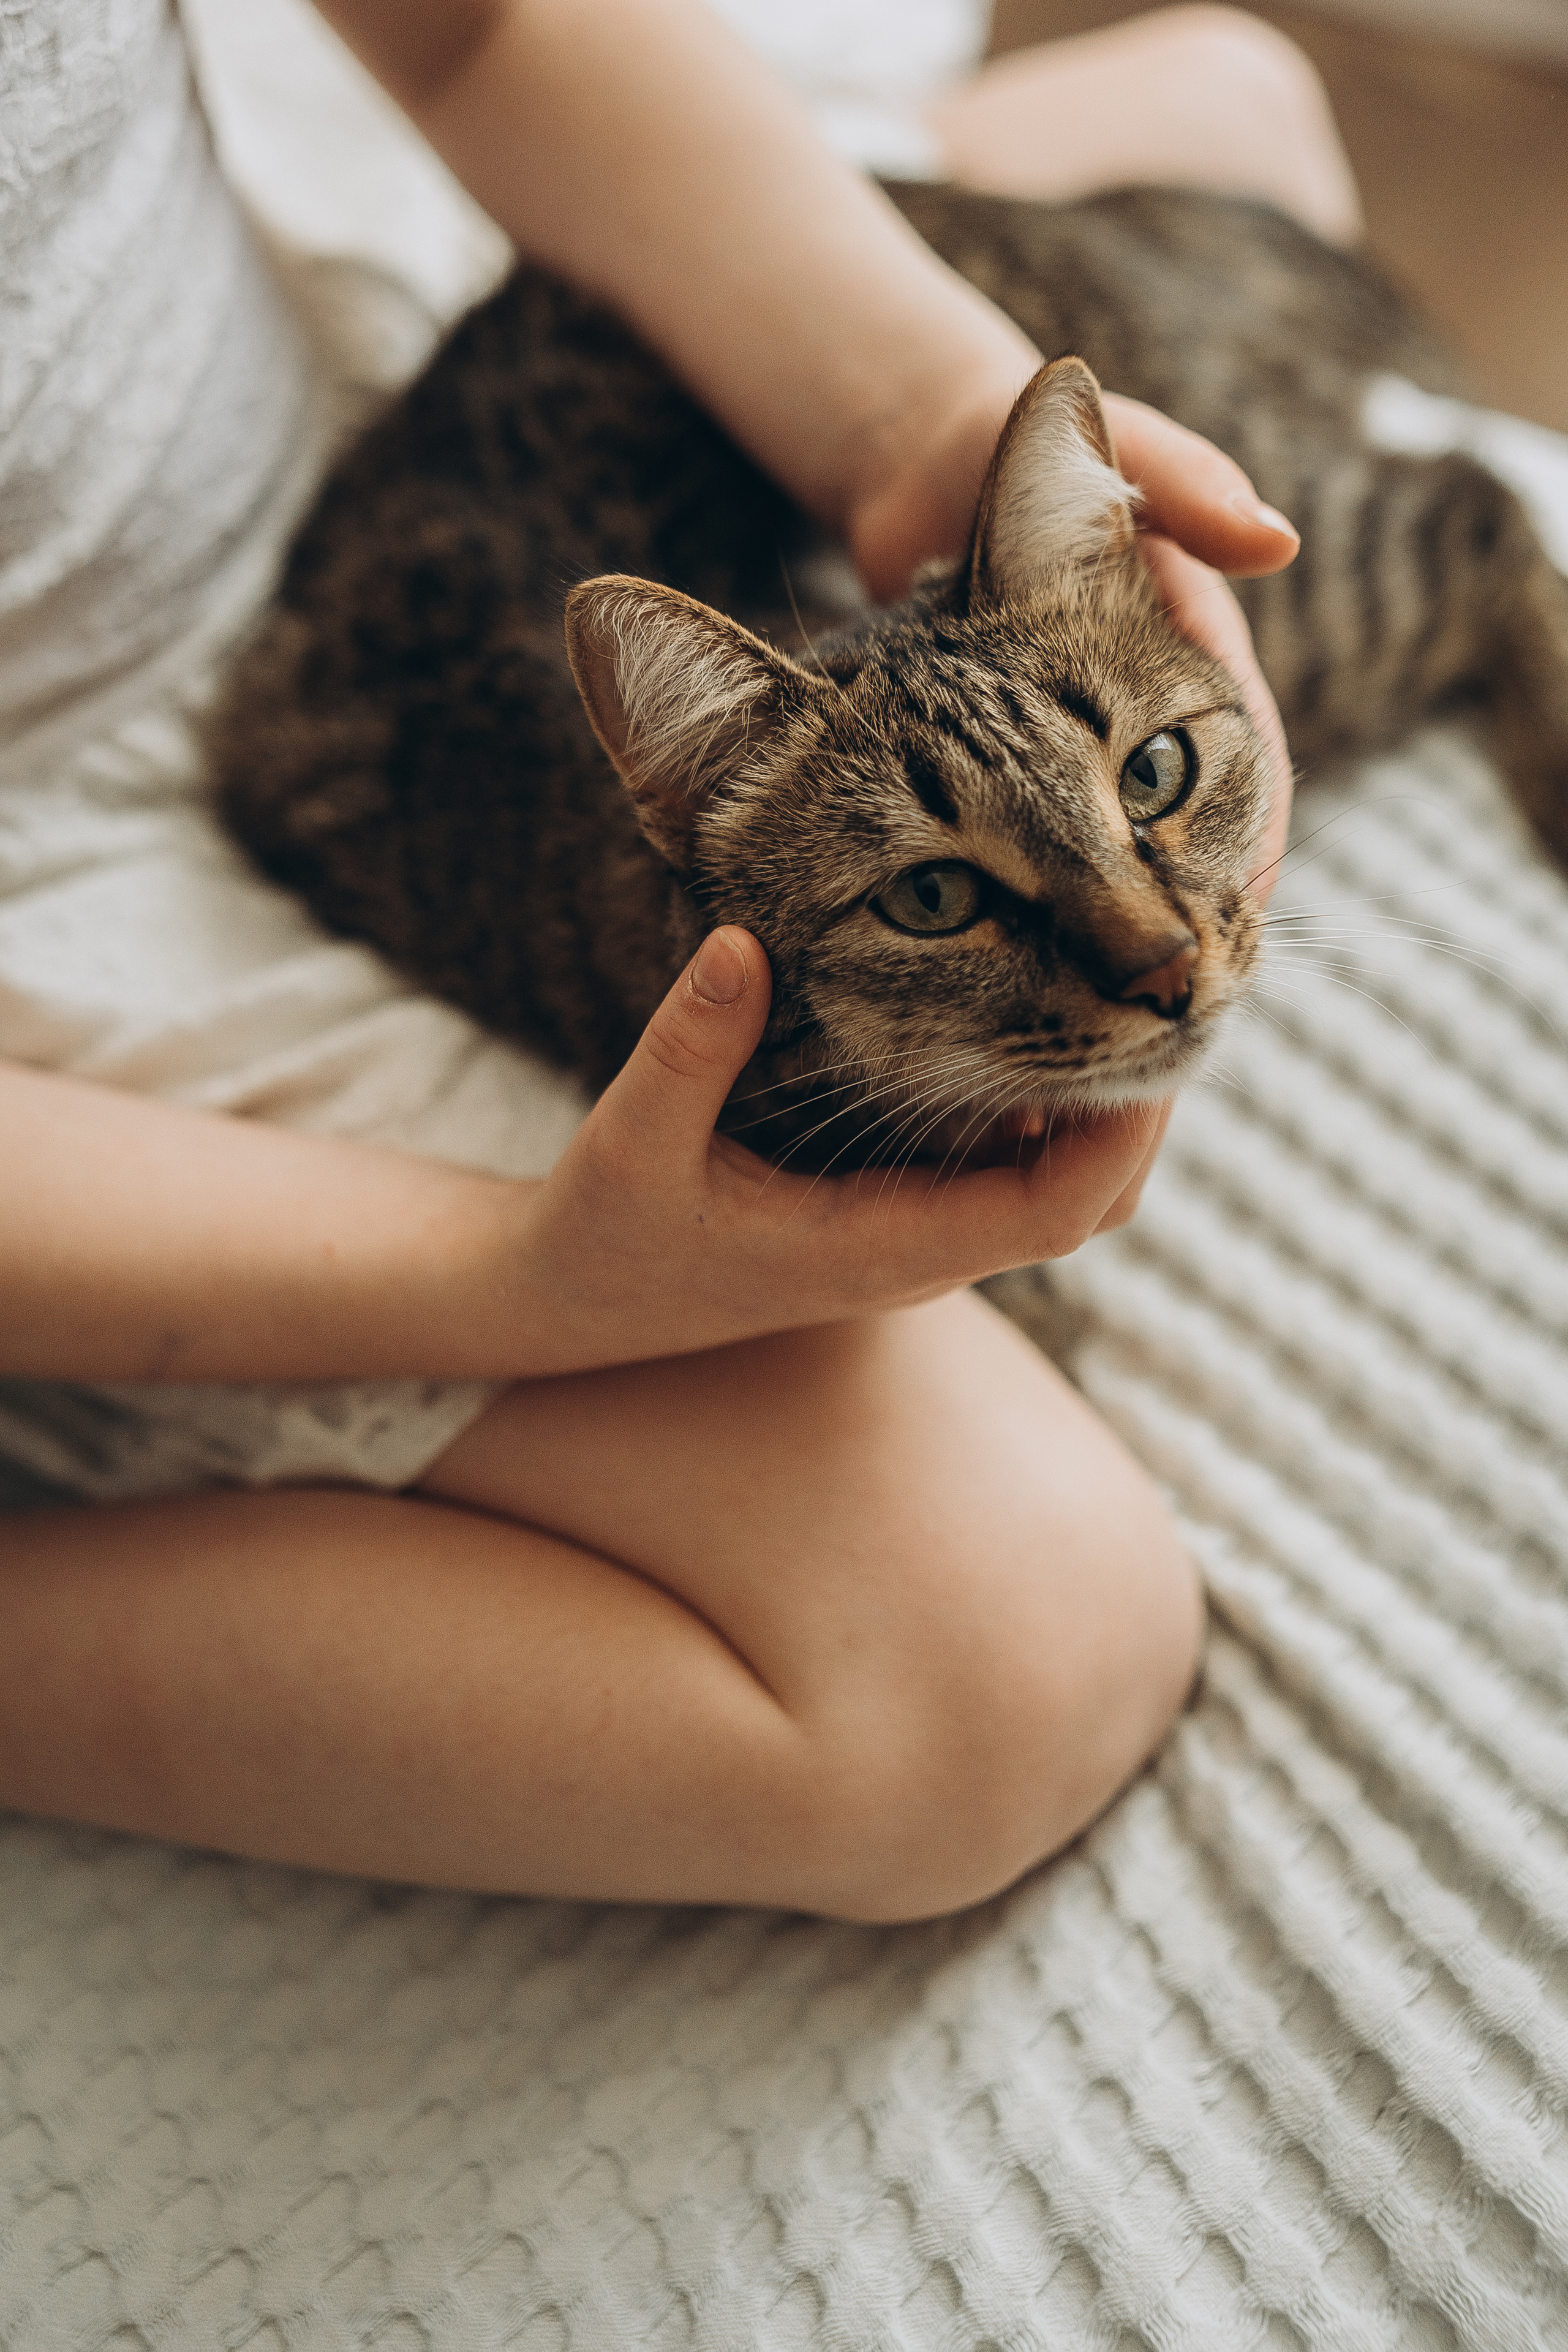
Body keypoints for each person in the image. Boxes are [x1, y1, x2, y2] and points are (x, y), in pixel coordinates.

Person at [0, 0, 1346, 1921]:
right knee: (1009, 1672)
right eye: (967, 906)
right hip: (56, 868)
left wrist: (906, 412)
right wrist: (530, 1279)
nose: (1146, 955)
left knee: (1235, 95)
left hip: (300, 387)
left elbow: (466, 32)